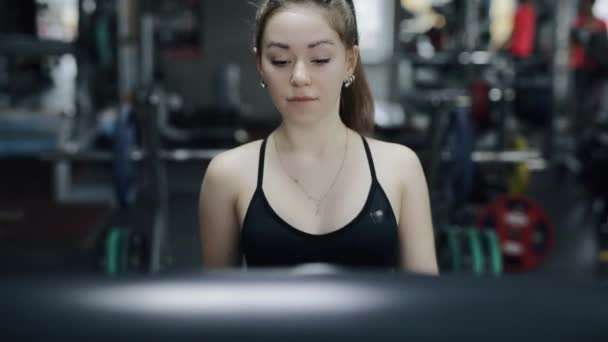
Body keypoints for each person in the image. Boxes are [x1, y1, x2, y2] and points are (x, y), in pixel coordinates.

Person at [198, 0, 438, 275]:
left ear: (350, 61)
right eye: (281, 61)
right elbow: (219, 307)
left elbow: (425, 305)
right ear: (260, 65)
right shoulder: (228, 174)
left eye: (320, 59)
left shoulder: (399, 167)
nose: (299, 77)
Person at [571, 0, 607, 131]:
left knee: (596, 100)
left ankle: (594, 128)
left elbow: (603, 45)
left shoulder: (601, 23)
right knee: (580, 100)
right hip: (581, 67)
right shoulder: (578, 23)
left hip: (597, 68)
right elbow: (574, 41)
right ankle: (581, 128)